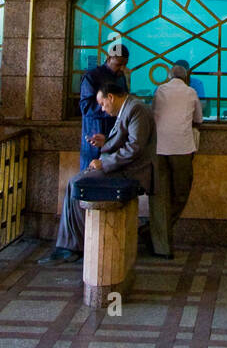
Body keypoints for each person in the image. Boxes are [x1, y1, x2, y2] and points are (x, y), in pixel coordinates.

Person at [41, 82, 156, 264]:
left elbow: (135, 147)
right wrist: (106, 143)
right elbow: (126, 141)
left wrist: (103, 163)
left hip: (131, 172)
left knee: (76, 184)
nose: (102, 109)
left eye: (103, 103)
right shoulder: (129, 108)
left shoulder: (136, 109)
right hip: (121, 168)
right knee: (75, 184)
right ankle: (72, 243)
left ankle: (73, 246)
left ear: (111, 97)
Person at [149, 62, 203, 258]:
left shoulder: (159, 90)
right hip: (182, 149)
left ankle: (159, 242)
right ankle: (156, 231)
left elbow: (152, 114)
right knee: (180, 194)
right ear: (186, 77)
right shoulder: (191, 92)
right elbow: (199, 119)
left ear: (170, 76)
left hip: (158, 148)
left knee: (159, 196)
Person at [79, 43, 129, 170]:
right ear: (108, 58)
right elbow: (86, 107)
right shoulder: (91, 76)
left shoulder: (121, 77)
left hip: (115, 133)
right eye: (119, 64)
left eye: (124, 65)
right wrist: (109, 108)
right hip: (95, 132)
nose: (122, 68)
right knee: (91, 174)